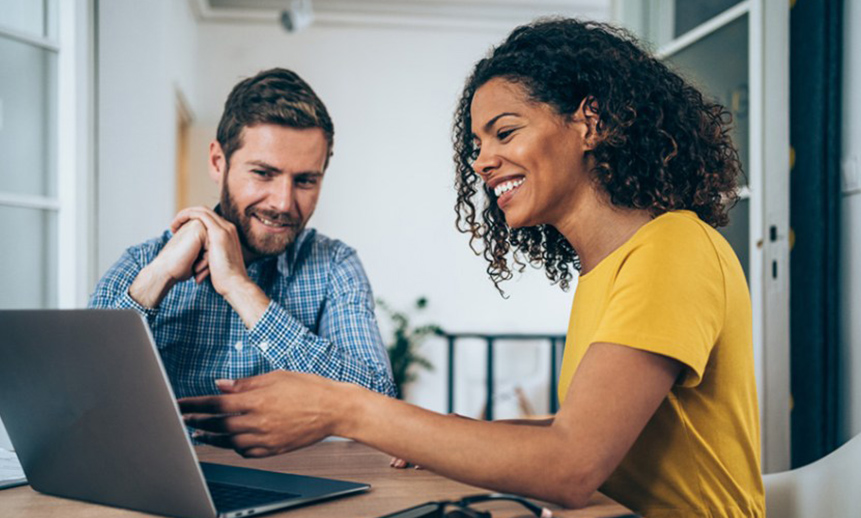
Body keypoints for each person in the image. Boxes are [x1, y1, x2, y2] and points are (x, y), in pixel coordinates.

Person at [179, 20, 764, 517]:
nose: (482, 161)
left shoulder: (671, 250)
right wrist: (451, 434)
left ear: (590, 122)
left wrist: (342, 407)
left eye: (504, 131)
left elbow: (571, 466)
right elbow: (599, 437)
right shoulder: (607, 269)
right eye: (476, 145)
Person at [90, 68, 396, 400]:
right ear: (218, 162)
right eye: (263, 173)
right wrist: (157, 279)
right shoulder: (143, 263)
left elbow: (378, 399)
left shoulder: (335, 264)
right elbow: (80, 394)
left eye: (305, 180)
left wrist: (239, 287)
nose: (283, 202)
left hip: (300, 457)